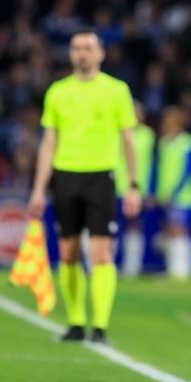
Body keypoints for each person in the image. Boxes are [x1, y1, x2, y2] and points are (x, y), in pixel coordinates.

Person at [28, 31, 141, 344]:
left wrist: (133, 185)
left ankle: (100, 326)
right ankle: (76, 322)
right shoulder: (58, 92)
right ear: (70, 54)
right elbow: (48, 142)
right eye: (77, 48)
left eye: (88, 48)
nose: (82, 53)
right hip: (65, 175)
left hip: (101, 176)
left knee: (102, 253)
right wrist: (38, 189)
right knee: (68, 253)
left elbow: (128, 140)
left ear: (100, 53)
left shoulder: (117, 90)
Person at [152, 105, 191, 279]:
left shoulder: (188, 143)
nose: (164, 125)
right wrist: (158, 192)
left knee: (180, 230)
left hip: (183, 196)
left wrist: (175, 191)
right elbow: (160, 170)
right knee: (169, 231)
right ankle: (173, 269)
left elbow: (190, 171)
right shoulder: (164, 143)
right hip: (166, 195)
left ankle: (183, 270)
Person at [114, 100, 155, 278]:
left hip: (138, 189)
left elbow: (153, 164)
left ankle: (132, 266)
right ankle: (107, 264)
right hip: (116, 187)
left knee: (134, 227)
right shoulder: (116, 132)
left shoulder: (148, 135)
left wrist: (149, 189)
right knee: (111, 227)